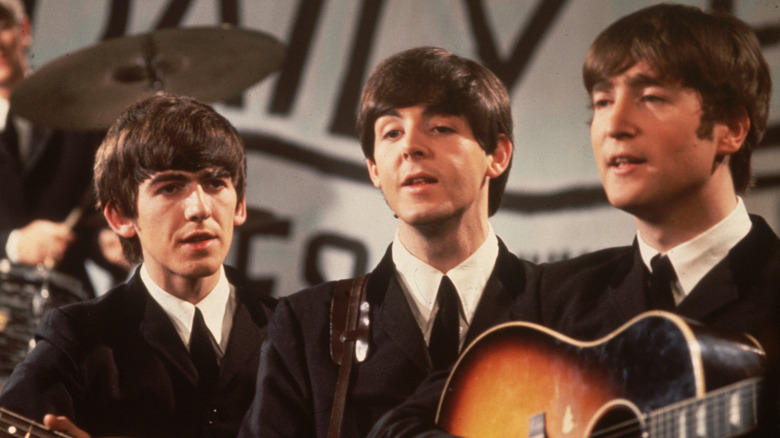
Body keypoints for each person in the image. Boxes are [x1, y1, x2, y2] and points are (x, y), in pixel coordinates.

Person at [368, 3, 780, 437]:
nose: (613, 125)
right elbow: (400, 426)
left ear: (732, 128)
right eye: (602, 102)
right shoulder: (554, 299)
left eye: (651, 98)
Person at [238, 46, 538, 438]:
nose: (410, 147)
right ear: (375, 169)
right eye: (392, 132)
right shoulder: (306, 326)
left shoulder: (558, 307)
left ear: (497, 154)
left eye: (441, 128)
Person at [0, 93, 277, 438]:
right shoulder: (78, 337)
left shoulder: (291, 331)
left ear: (240, 205)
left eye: (215, 183)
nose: (200, 208)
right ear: (120, 215)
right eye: (171, 187)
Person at [0, 0, 126, 297]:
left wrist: (104, 245)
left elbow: (88, 221)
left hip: (63, 305)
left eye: (2, 24)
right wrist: (12, 244)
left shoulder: (75, 118)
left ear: (24, 30)